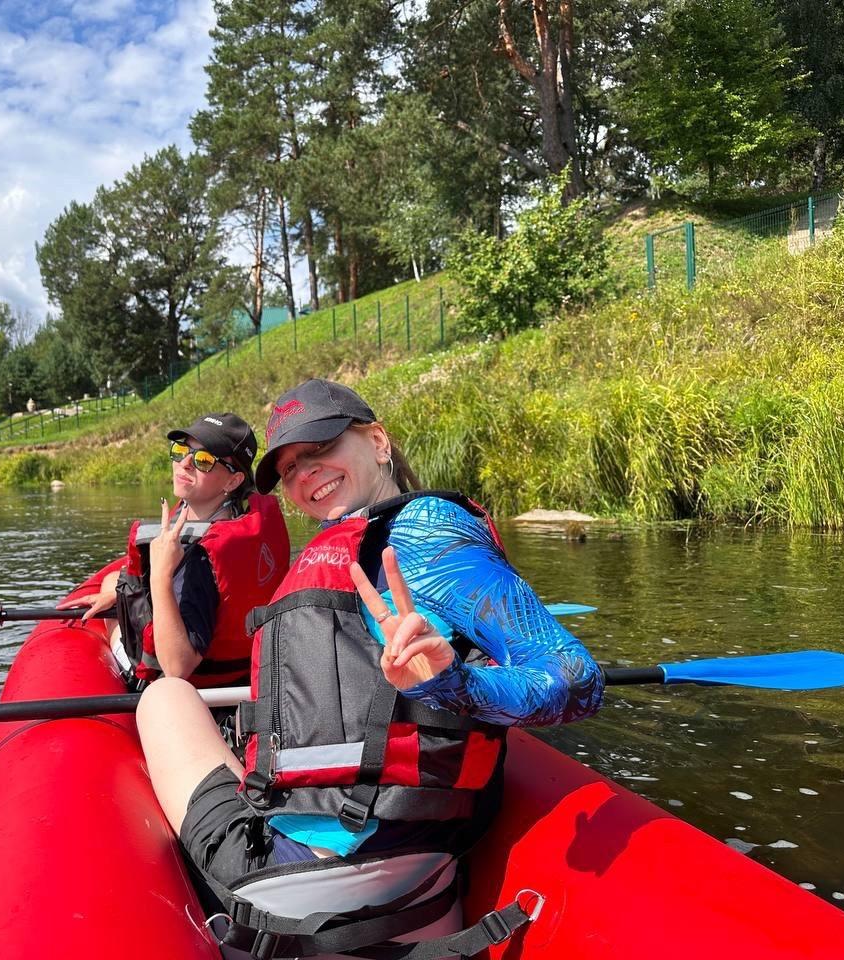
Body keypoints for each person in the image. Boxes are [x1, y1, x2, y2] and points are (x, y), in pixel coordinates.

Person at [136, 380, 604, 957]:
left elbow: (576, 679)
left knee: (165, 696)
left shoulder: (427, 529)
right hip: (417, 870)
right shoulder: (356, 547)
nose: (304, 474)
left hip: (287, 874)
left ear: (378, 440)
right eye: (288, 470)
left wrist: (453, 681)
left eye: (319, 449)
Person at [58, 412, 289, 689]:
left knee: (116, 614)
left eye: (203, 460)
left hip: (186, 686)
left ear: (232, 481)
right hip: (245, 671)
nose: (185, 463)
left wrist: (159, 577)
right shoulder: (248, 519)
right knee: (112, 583)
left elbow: (177, 668)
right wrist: (119, 592)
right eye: (181, 451)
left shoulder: (201, 556)